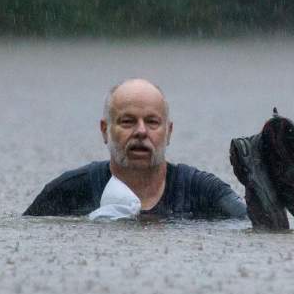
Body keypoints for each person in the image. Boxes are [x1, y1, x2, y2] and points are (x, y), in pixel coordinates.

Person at [23, 78, 248, 219]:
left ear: (168, 132)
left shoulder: (202, 190)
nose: (141, 132)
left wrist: (264, 187)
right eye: (128, 121)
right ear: (105, 130)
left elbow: (257, 225)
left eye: (152, 122)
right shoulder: (70, 190)